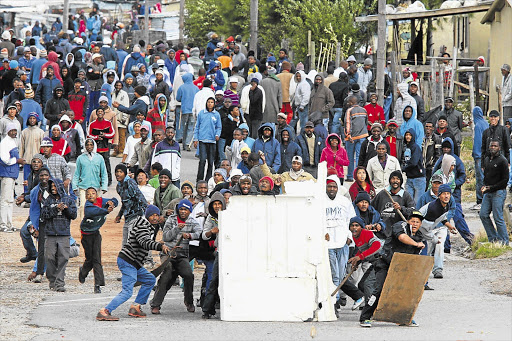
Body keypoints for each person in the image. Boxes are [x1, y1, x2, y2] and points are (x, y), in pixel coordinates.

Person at [96, 205, 170, 321]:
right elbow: (144, 242)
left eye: (156, 215)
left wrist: (158, 243)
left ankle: (136, 307)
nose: (155, 218)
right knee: (127, 292)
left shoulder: (148, 226)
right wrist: (160, 246)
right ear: (147, 216)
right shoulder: (142, 226)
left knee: (150, 279)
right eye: (152, 215)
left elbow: (146, 240)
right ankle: (105, 311)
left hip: (135, 263)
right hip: (128, 261)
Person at [359, 211, 425, 327]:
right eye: (413, 221)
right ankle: (365, 317)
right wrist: (416, 244)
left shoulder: (419, 236)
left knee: (404, 292)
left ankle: (404, 318)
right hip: (385, 264)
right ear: (408, 221)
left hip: (402, 268)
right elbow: (402, 237)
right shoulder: (400, 226)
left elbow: (415, 258)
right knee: (378, 290)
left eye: (418, 222)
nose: (415, 224)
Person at [150, 199, 201, 314]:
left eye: (186, 210)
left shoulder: (192, 221)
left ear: (190, 211)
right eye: (181, 209)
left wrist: (189, 235)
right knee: (167, 274)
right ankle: (155, 304)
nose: (183, 212)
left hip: (182, 255)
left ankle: (189, 302)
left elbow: (200, 233)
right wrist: (177, 228)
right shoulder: (171, 220)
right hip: (168, 253)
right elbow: (166, 237)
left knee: (188, 275)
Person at [325, 175, 364, 310]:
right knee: (334, 275)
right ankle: (334, 303)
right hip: (328, 245)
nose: (332, 189)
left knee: (341, 275)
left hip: (342, 243)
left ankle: (336, 300)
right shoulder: (320, 201)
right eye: (329, 186)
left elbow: (352, 220)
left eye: (334, 186)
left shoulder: (344, 202)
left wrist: (350, 237)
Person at [432, 138, 474, 250]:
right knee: (443, 222)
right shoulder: (440, 162)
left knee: (458, 218)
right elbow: (433, 180)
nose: (446, 150)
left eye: (448, 148)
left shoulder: (457, 161)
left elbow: (462, 176)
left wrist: (454, 185)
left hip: (454, 196)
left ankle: (471, 240)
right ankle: (445, 248)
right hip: (441, 198)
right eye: (444, 148)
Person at [40, 178, 77, 292]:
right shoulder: (48, 200)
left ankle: (60, 283)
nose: (53, 188)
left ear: (60, 187)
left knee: (63, 259)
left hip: (64, 234)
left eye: (55, 186)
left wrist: (66, 209)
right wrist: (56, 209)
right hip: (50, 234)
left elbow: (73, 215)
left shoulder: (69, 199)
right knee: (50, 258)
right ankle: (52, 280)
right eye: (51, 186)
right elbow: (44, 215)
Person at [79, 187, 118, 293]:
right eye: (88, 194)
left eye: (93, 193)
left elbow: (115, 200)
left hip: (96, 233)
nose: (90, 195)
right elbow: (95, 211)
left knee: (97, 259)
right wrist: (106, 210)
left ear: (96, 195)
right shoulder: (88, 206)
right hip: (86, 235)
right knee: (90, 259)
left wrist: (112, 203)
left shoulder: (101, 201)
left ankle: (98, 284)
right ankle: (83, 271)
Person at [418, 183, 456, 279]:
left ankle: (437, 270)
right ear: (439, 195)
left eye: (448, 193)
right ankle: (421, 277)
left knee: (439, 246)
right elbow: (424, 228)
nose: (446, 196)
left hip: (433, 229)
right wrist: (434, 238)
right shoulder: (433, 208)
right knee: (426, 252)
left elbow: (442, 218)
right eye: (443, 194)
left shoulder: (446, 205)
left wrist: (449, 226)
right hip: (423, 230)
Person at [201, 192, 227, 319]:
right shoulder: (211, 219)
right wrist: (212, 232)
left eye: (219, 204)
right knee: (213, 281)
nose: (217, 206)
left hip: (231, 251)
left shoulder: (230, 215)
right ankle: (207, 309)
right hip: (219, 252)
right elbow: (203, 235)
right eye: (215, 204)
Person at [480, 140, 509, 245]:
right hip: (488, 192)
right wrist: (484, 186)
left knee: (498, 217)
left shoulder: (503, 161)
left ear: (499, 148)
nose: (493, 147)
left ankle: (504, 241)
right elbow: (486, 176)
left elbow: (505, 180)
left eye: (495, 146)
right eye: (491, 145)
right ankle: (493, 239)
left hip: (498, 192)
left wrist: (491, 187)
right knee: (483, 214)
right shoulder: (487, 159)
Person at [72, 139, 108, 219]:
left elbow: (104, 173)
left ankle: (96, 223)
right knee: (82, 206)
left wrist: (104, 186)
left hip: (96, 187)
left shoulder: (100, 158)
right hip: (84, 187)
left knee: (97, 206)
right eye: (87, 145)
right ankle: (83, 223)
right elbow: (77, 173)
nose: (89, 147)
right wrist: (74, 186)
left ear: (94, 146)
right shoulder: (80, 158)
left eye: (91, 145)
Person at [114, 164, 148, 247]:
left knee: (132, 242)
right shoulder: (119, 186)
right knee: (125, 243)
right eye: (117, 172)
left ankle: (146, 259)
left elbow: (140, 197)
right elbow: (125, 202)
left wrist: (147, 213)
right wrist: (119, 215)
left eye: (120, 172)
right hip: (128, 217)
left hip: (136, 215)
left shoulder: (130, 183)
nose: (118, 174)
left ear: (125, 173)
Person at [0, 123, 24, 232]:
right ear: (8, 131)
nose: (14, 132)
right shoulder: (5, 142)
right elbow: (4, 159)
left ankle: (9, 224)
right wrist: (17, 161)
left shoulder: (12, 141)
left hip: (12, 174)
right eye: (12, 130)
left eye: (15, 130)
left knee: (10, 200)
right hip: (6, 174)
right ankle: (3, 224)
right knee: (5, 200)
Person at [194, 97, 222, 182]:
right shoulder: (201, 113)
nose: (210, 104)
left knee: (211, 162)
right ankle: (199, 179)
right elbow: (197, 127)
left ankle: (208, 179)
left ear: (214, 104)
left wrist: (217, 134)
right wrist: (196, 138)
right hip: (202, 140)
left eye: (212, 102)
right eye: (208, 102)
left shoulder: (216, 114)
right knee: (202, 160)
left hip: (212, 141)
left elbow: (219, 127)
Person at [88, 107, 115, 186]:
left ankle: (108, 180)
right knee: (95, 165)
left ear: (104, 113)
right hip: (96, 148)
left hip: (105, 147)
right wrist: (96, 137)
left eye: (101, 111)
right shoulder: (92, 124)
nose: (100, 113)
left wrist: (105, 135)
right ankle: (96, 180)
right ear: (96, 114)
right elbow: (89, 135)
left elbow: (112, 133)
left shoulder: (108, 123)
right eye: (98, 111)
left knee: (106, 164)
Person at [344, 95, 369, 182]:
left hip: (352, 137)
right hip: (362, 136)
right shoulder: (364, 110)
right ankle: (358, 176)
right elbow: (366, 122)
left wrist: (348, 135)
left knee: (350, 157)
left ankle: (350, 176)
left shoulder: (349, 110)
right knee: (359, 156)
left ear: (351, 102)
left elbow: (347, 123)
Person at [402, 129, 426, 204]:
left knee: (417, 202)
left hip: (418, 178)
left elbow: (414, 162)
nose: (408, 137)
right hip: (409, 178)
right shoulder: (405, 147)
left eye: (410, 135)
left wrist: (403, 168)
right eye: (406, 135)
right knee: (409, 202)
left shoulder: (416, 147)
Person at [422, 120, 442, 189]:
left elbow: (438, 154)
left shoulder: (436, 138)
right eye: (426, 126)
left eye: (430, 127)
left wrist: (434, 166)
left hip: (430, 167)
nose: (428, 128)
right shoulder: (422, 138)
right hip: (422, 167)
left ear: (433, 128)